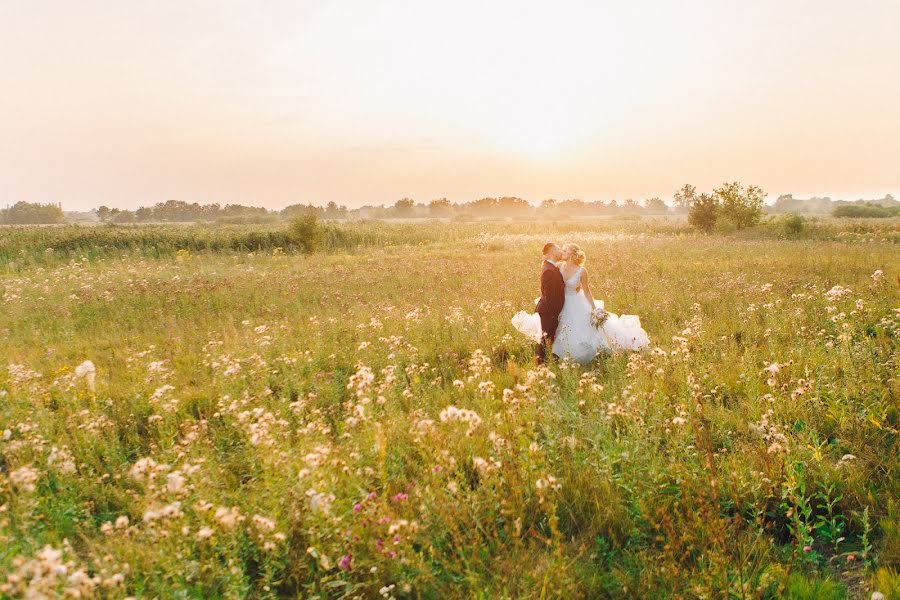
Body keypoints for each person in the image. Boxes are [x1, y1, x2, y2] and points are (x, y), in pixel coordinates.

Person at [511, 243, 650, 364]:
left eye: (564, 251)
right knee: (558, 329)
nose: (561, 253)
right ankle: (557, 356)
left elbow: (587, 292)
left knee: (581, 330)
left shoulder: (582, 271)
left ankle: (581, 355)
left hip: (576, 301)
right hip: (561, 303)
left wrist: (595, 309)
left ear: (571, 254)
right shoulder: (559, 266)